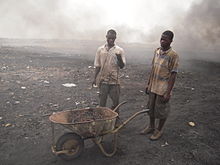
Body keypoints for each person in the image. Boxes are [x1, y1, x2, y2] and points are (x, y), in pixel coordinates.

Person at [140, 30, 179, 140]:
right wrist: (148, 84)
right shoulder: (156, 51)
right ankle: (151, 126)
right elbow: (153, 69)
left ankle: (159, 130)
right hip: (153, 86)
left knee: (161, 111)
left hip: (163, 88)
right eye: (161, 38)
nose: (162, 41)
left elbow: (173, 75)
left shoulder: (173, 55)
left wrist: (168, 92)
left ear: (171, 41)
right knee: (151, 108)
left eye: (165, 39)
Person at [92, 29, 126, 113]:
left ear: (115, 38)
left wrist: (119, 58)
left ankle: (116, 119)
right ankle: (101, 119)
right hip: (103, 80)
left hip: (114, 81)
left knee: (115, 103)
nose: (111, 40)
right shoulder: (100, 49)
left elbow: (122, 66)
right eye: (109, 38)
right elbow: (98, 65)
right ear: (106, 37)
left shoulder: (119, 50)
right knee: (102, 103)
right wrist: (94, 78)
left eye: (113, 38)